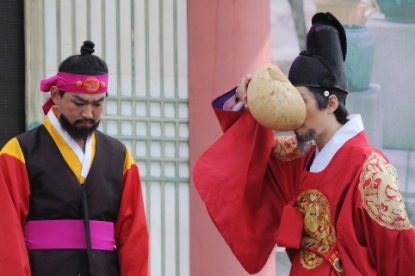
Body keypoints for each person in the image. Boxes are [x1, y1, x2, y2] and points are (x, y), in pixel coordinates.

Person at [194, 12, 415, 275]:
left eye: (301, 101)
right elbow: (248, 164)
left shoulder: (371, 171)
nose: (294, 112)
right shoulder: (301, 156)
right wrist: (247, 103)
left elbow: (401, 256)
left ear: (331, 103)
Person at [0, 41, 149, 276]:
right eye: (78, 103)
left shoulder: (119, 156)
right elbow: (6, 232)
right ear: (57, 95)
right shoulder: (19, 151)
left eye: (97, 104)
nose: (88, 113)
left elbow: (134, 236)